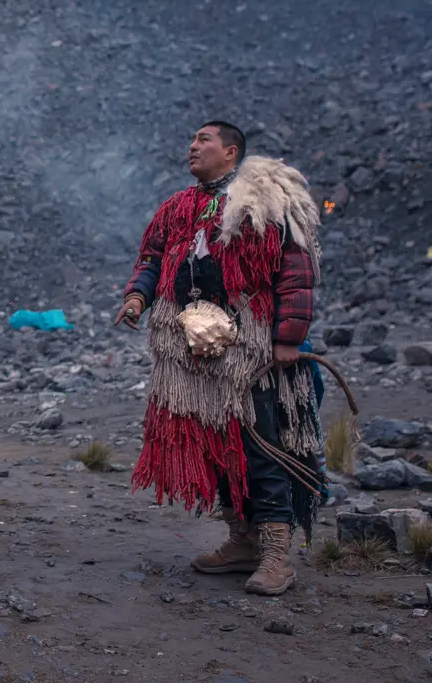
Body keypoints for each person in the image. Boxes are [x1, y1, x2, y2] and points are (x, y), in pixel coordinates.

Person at [114, 122, 323, 597]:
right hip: (188, 350)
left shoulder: (267, 201)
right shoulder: (177, 207)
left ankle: (276, 555)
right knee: (215, 444)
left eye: (204, 140)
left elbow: (296, 272)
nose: (193, 146)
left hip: (249, 346)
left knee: (260, 445)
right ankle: (242, 540)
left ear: (231, 151)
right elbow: (152, 259)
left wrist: (289, 337)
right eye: (191, 139)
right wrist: (137, 298)